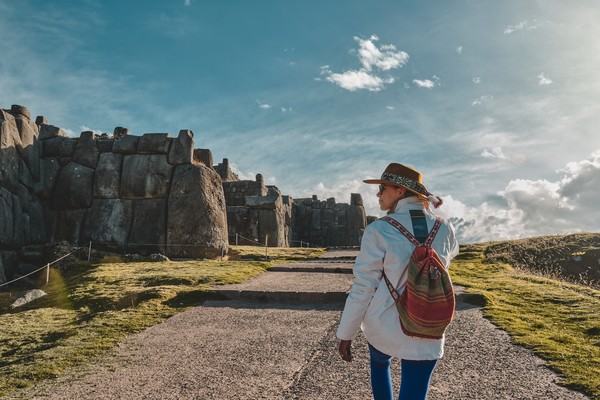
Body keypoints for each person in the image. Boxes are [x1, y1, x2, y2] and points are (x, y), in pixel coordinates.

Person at [336, 163, 459, 400]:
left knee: (380, 364)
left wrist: (346, 333)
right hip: (429, 323)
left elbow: (364, 286)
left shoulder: (379, 229)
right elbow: (448, 258)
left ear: (400, 191)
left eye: (382, 188)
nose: (378, 194)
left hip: (385, 325)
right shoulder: (446, 228)